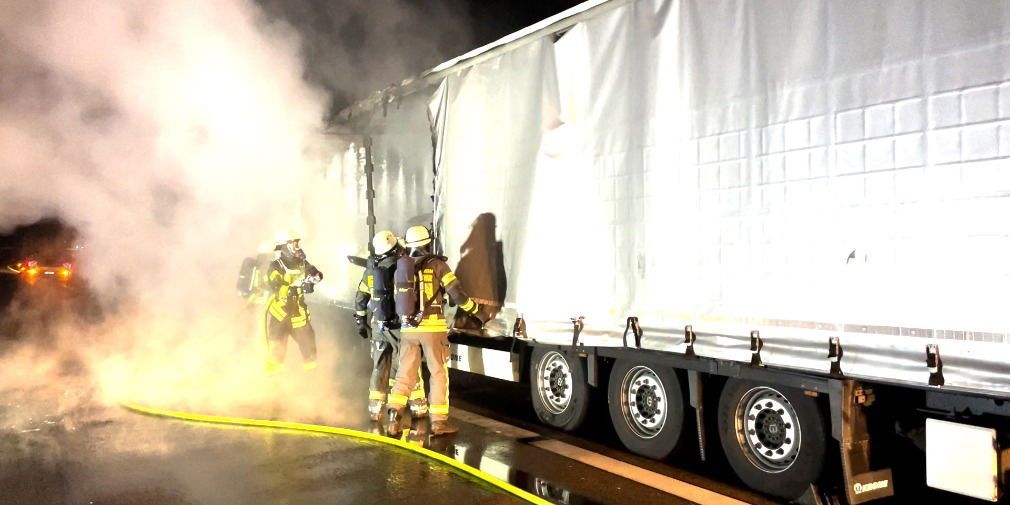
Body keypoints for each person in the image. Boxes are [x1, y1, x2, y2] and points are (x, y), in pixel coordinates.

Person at [386, 226, 483, 436]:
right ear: (427, 243)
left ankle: (394, 416)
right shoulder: (438, 265)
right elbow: (456, 294)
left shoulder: (402, 268)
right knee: (438, 373)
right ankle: (439, 423)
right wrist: (477, 312)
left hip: (408, 328)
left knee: (405, 374)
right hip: (432, 328)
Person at [354, 230, 427, 421]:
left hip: (377, 325)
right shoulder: (400, 267)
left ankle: (375, 409)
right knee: (407, 362)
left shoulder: (371, 270)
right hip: (396, 325)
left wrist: (361, 321)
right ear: (395, 247)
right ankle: (417, 406)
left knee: (379, 365)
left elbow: (361, 297)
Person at [264, 231, 323, 373]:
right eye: (293, 243)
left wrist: (315, 278)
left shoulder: (302, 263)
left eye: (297, 243)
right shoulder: (276, 266)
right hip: (281, 314)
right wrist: (299, 287)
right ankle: (273, 383)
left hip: (298, 312)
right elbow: (276, 286)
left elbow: (317, 273)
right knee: (277, 350)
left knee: (309, 347)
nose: (297, 246)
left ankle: (311, 379)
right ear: (285, 246)